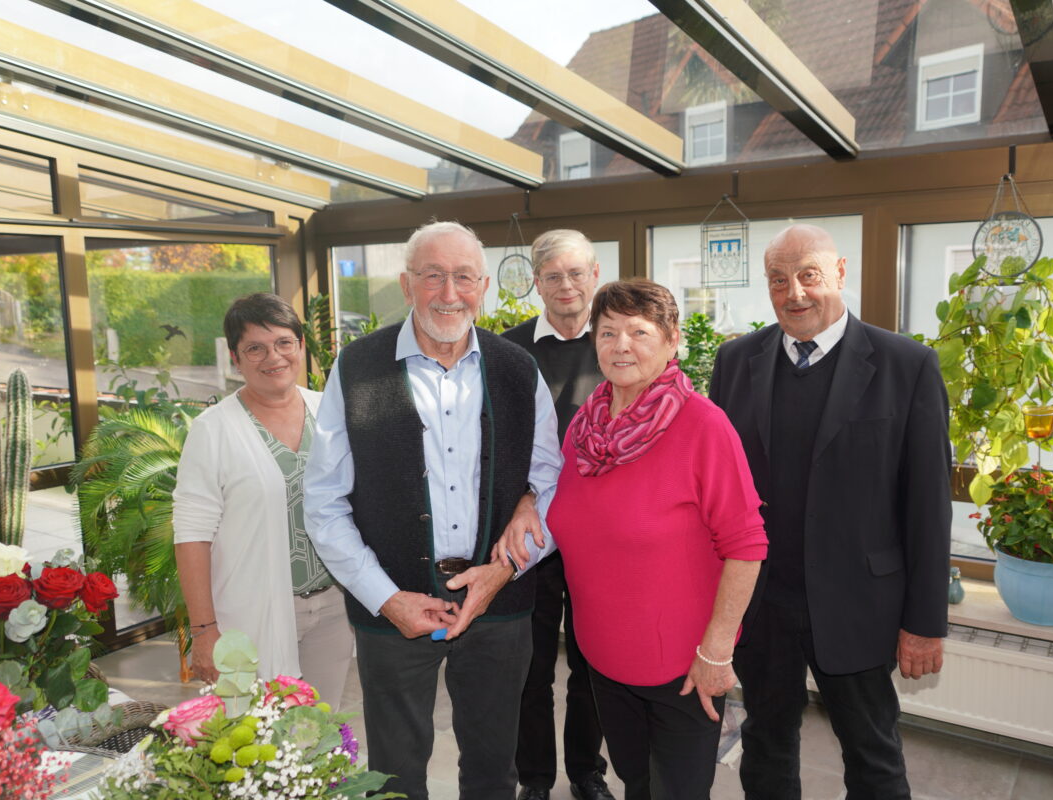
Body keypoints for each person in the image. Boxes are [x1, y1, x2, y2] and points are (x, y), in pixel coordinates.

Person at [304, 220, 562, 800]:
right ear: (406, 284)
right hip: (393, 613)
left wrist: (504, 571)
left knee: (496, 769)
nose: (450, 293)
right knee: (394, 775)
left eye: (464, 277)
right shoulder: (357, 367)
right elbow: (323, 503)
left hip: (500, 608)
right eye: (433, 276)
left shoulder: (519, 370)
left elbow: (553, 481)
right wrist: (385, 597)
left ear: (485, 285)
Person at [708, 223, 952, 799]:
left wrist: (923, 623)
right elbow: (716, 491)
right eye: (777, 280)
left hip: (859, 604)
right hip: (762, 604)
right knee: (765, 747)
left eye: (809, 275)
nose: (794, 293)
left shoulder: (906, 365)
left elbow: (928, 505)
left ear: (840, 273)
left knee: (872, 754)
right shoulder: (735, 361)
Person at [507, 279, 767, 800]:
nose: (620, 345)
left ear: (672, 341)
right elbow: (561, 507)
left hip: (683, 667)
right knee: (635, 782)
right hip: (605, 661)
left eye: (638, 332)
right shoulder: (587, 425)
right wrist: (527, 503)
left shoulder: (703, 426)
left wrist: (716, 650)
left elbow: (747, 544)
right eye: (607, 332)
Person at [174, 292, 353, 708]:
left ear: (300, 347)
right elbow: (191, 535)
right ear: (236, 359)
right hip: (249, 615)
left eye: (284, 343)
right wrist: (204, 631)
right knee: (255, 747)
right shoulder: (212, 431)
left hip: (333, 609)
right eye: (255, 347)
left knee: (317, 737)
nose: (273, 357)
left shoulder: (330, 412)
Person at [501, 230, 613, 800]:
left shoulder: (621, 340)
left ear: (595, 273)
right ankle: (535, 778)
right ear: (537, 283)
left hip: (601, 533)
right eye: (553, 276)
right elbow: (494, 442)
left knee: (593, 661)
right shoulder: (508, 349)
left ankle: (587, 772)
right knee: (533, 665)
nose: (566, 285)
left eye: (575, 273)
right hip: (534, 528)